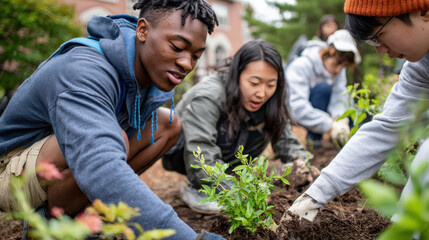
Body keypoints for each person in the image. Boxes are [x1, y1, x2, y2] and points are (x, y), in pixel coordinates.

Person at [0, 0, 224, 239]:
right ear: (143, 30)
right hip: (10, 174)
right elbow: (100, 162)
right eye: (177, 46)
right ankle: (48, 227)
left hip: (58, 160)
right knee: (113, 138)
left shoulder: (145, 72)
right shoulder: (84, 69)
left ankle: (79, 214)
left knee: (167, 124)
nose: (186, 63)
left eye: (196, 56)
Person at [287, 0, 429, 228]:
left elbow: (339, 99)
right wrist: (315, 195)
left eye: (379, 35)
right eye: (373, 42)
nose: (381, 50)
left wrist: (339, 120)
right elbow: (386, 129)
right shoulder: (421, 67)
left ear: (423, 11)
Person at [162, 40, 313, 214]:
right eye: (254, 83)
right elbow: (200, 152)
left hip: (228, 158)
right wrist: (243, 194)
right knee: (217, 192)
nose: (262, 93)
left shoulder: (269, 99)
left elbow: (287, 142)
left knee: (270, 116)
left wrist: (303, 165)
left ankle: (225, 180)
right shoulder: (209, 95)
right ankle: (197, 185)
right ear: (237, 74)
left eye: (271, 85)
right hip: (186, 154)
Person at [286, 29, 361, 149]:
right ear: (328, 52)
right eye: (337, 63)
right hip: (297, 115)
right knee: (323, 89)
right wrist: (330, 125)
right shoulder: (301, 65)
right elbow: (296, 107)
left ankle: (346, 144)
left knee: (351, 102)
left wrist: (340, 119)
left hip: (320, 115)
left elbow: (340, 94)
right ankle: (314, 142)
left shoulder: (338, 71)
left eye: (344, 66)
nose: (339, 70)